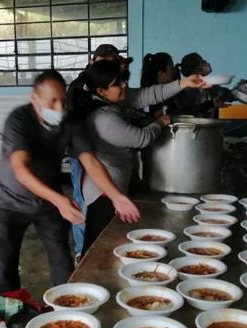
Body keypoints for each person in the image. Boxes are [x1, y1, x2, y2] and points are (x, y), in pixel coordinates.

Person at [0, 69, 140, 293]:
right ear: (35, 99)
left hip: (48, 203)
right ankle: (8, 318)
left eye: (62, 101)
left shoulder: (70, 121)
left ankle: (66, 311)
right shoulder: (19, 120)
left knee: (62, 259)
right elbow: (21, 171)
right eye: (52, 102)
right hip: (10, 203)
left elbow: (90, 161)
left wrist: (116, 196)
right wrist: (61, 201)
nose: (59, 109)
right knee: (6, 267)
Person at [80, 61, 206, 254]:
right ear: (101, 91)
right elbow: (141, 138)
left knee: (114, 239)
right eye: (117, 83)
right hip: (103, 191)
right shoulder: (104, 118)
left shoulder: (112, 102)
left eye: (122, 80)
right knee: (99, 245)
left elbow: (149, 94)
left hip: (119, 181)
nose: (123, 85)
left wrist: (184, 83)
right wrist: (159, 123)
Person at [65, 44, 133, 262]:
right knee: (83, 202)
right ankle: (82, 252)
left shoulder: (102, 91)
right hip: (81, 154)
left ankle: (86, 252)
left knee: (89, 202)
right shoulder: (82, 89)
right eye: (108, 61)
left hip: (88, 154)